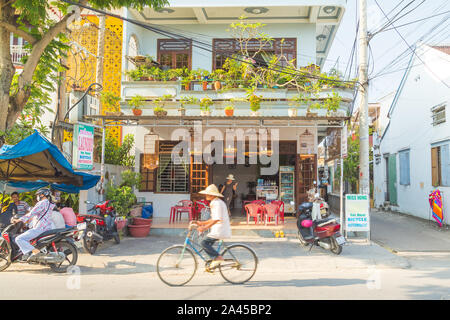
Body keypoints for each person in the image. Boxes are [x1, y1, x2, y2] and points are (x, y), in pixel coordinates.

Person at [11, 188, 55, 262]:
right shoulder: (50, 203)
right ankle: (31, 254)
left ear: (42, 195)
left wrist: (19, 220)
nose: (37, 197)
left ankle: (35, 252)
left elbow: (31, 213)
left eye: (38, 195)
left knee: (19, 239)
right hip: (46, 227)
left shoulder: (42, 203)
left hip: (40, 228)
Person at [195, 184, 232, 268]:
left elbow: (216, 219)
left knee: (203, 242)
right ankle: (213, 260)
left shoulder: (216, 203)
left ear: (211, 195)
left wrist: (205, 227)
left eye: (207, 194)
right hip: (218, 228)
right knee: (207, 244)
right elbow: (214, 218)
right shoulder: (216, 202)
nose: (205, 195)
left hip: (220, 229)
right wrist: (202, 223)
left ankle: (218, 257)